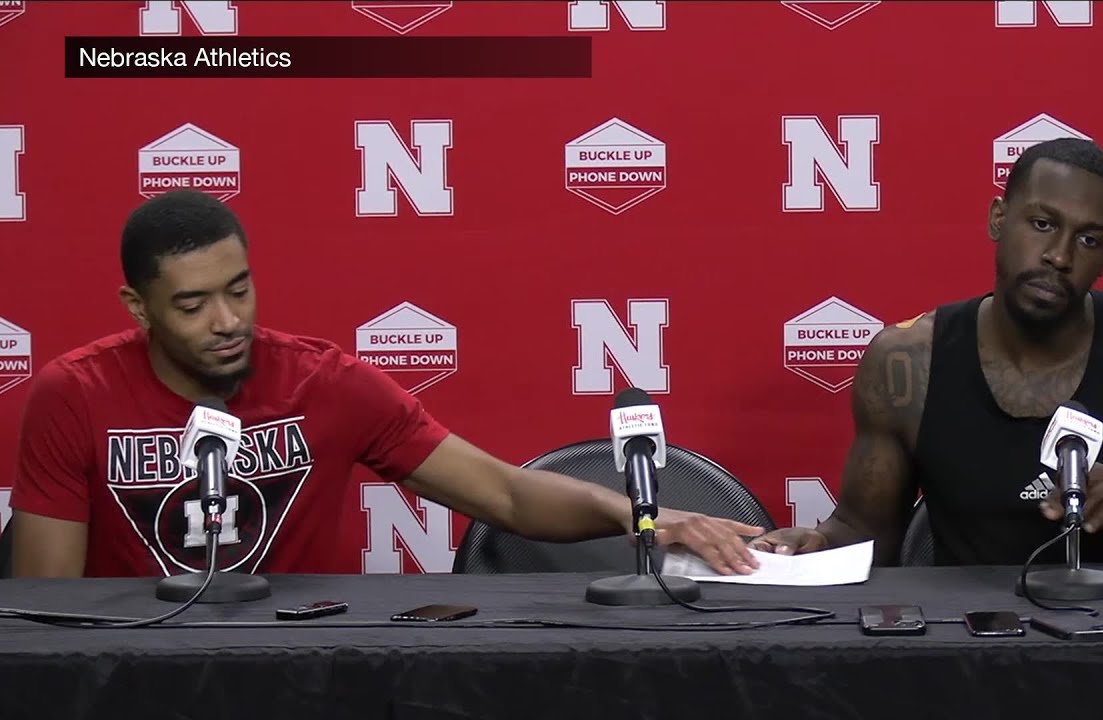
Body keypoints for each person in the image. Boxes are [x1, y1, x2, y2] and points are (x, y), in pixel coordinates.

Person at [7, 190, 763, 579]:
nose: (227, 319)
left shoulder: (323, 383)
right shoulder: (73, 396)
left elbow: (503, 495)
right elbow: (48, 612)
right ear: (138, 308)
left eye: (239, 289)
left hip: (290, 676)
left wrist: (647, 519)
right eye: (193, 304)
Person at [751, 137, 1103, 566]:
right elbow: (865, 532)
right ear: (998, 220)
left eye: (1089, 240)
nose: (1059, 256)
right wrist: (816, 546)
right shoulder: (906, 362)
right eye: (1043, 224)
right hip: (965, 658)